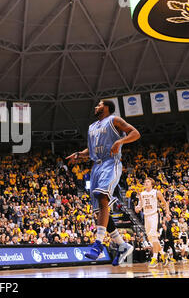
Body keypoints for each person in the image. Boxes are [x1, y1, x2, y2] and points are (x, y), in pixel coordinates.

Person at [66, 100, 140, 266]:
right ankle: (122, 245)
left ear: (106, 108)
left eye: (99, 104)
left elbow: (135, 133)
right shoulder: (92, 126)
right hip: (96, 167)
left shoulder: (115, 120)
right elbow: (90, 150)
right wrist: (79, 154)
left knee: (102, 196)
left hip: (110, 162)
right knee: (100, 211)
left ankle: (98, 244)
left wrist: (120, 141)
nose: (96, 107)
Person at [135, 177, 171, 267]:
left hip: (154, 215)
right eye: (145, 182)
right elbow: (140, 205)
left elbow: (165, 203)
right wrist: (137, 208)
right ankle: (163, 254)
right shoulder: (142, 194)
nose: (146, 183)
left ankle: (154, 258)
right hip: (146, 216)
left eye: (148, 182)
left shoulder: (156, 192)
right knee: (151, 238)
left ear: (152, 184)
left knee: (154, 237)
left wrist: (167, 213)